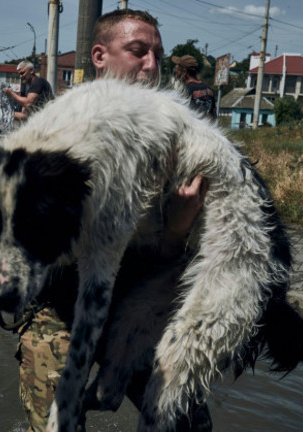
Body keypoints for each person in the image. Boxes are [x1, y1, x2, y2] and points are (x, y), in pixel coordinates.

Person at [12, 9, 210, 432]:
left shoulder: (179, 139)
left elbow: (171, 262)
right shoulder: (60, 131)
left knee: (189, 422)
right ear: (99, 56)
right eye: (138, 51)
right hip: (60, 305)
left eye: (158, 54)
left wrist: (177, 228)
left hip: (135, 305)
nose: (152, 65)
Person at [172, 55, 217, 119]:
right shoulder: (209, 89)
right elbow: (214, 116)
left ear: (184, 72)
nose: (176, 73)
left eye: (178, 70)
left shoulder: (184, 91)